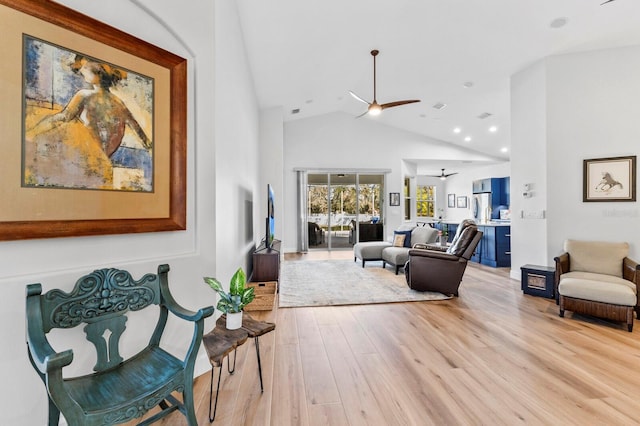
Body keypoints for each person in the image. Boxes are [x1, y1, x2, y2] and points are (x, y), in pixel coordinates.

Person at [26, 55, 152, 159]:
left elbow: (64, 117)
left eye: (85, 67)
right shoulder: (119, 103)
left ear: (99, 72)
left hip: (89, 157)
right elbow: (140, 133)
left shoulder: (84, 95)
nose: (81, 71)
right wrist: (151, 148)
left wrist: (34, 130)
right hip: (104, 158)